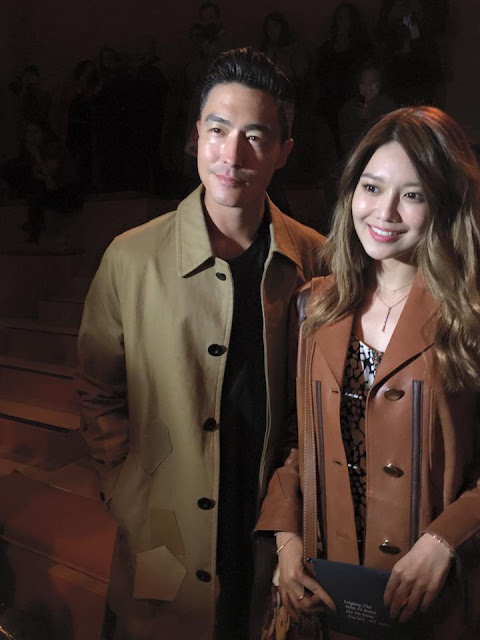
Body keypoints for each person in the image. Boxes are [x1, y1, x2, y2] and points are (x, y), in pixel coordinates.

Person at [76, 48, 325, 640]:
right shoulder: (131, 257)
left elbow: (316, 409)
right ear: (195, 136)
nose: (232, 156)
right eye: (218, 130)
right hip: (160, 525)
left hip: (267, 526)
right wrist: (123, 489)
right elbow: (97, 388)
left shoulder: (316, 258)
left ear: (284, 151)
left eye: (255, 137)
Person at [256, 106, 480, 639]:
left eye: (413, 194)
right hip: (326, 590)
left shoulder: (469, 318)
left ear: (445, 202)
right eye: (372, 187)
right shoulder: (315, 305)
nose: (385, 211)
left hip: (430, 602)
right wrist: (287, 539)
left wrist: (445, 540)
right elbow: (297, 439)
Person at [338, 60, 395, 156]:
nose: (367, 87)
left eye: (373, 82)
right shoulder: (348, 109)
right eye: (363, 83)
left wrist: (370, 118)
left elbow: (392, 134)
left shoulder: (388, 105)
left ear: (380, 83)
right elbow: (345, 141)